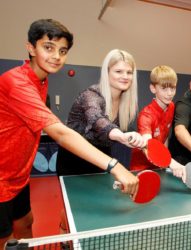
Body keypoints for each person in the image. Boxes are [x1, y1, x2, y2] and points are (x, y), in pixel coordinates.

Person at [0, 19, 138, 248]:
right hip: (1, 178)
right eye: (48, 47)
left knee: (25, 223)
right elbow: (61, 134)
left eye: (62, 51)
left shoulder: (41, 82)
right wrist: (116, 166)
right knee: (4, 239)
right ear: (31, 48)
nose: (56, 56)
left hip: (18, 176)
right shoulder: (17, 82)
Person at [56, 49, 146, 176]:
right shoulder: (91, 96)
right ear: (107, 72)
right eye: (118, 71)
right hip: (74, 160)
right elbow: (97, 120)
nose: (125, 76)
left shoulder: (125, 103)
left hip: (100, 158)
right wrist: (121, 136)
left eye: (129, 72)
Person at [129, 65, 184, 178]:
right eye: (164, 88)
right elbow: (149, 146)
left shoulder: (171, 107)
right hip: (140, 169)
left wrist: (164, 163)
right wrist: (172, 163)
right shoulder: (146, 115)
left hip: (159, 166)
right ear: (153, 88)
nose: (170, 93)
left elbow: (165, 137)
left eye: (173, 88)